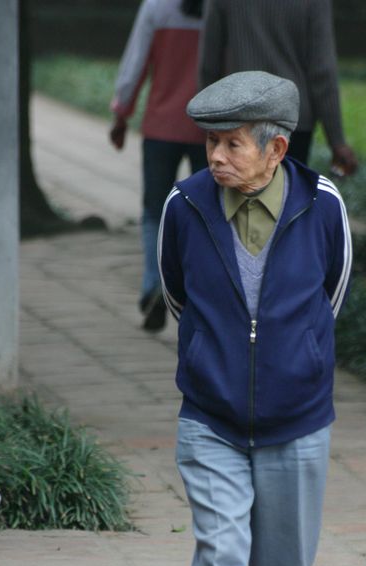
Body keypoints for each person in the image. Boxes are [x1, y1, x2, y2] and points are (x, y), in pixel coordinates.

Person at [159, 71, 352, 566]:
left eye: (232, 144)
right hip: (210, 420)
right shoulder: (185, 205)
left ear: (276, 149)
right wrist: (216, 358)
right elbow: (178, 296)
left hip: (297, 421)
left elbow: (330, 295)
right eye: (210, 142)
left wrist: (292, 361)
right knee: (219, 556)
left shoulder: (322, 205)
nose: (215, 156)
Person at [110, 0, 208, 331]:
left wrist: (121, 113)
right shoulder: (222, 7)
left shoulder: (156, 6)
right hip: (209, 130)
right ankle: (193, 291)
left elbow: (135, 63)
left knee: (155, 212)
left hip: (161, 127)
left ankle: (154, 285)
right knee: (205, 215)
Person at [198, 0, 358, 175]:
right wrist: (336, 141)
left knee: (238, 189)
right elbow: (322, 70)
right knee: (288, 189)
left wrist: (211, 119)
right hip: (292, 120)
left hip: (239, 115)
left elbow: (209, 65)